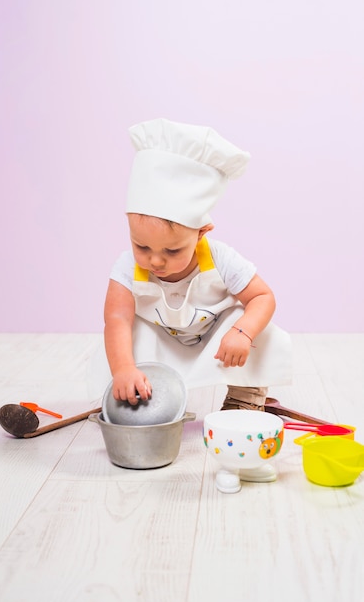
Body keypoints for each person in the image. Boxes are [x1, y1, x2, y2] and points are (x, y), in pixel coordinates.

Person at [86, 118, 292, 491]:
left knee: (263, 331)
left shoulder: (222, 258)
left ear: (201, 232)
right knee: (130, 330)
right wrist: (123, 369)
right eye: (142, 246)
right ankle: (139, 395)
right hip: (162, 345)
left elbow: (263, 297)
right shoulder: (126, 266)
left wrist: (242, 332)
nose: (155, 261)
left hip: (217, 341)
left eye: (171, 250)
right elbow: (115, 318)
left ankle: (245, 399)